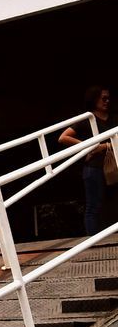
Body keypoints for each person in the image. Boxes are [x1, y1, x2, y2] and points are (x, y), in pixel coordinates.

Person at [59, 86, 114, 234]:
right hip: (94, 167)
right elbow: (63, 137)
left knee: (111, 204)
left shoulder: (113, 118)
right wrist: (90, 146)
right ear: (94, 99)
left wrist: (105, 146)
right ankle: (92, 243)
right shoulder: (88, 119)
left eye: (109, 98)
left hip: (113, 166)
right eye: (103, 98)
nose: (107, 101)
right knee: (93, 205)